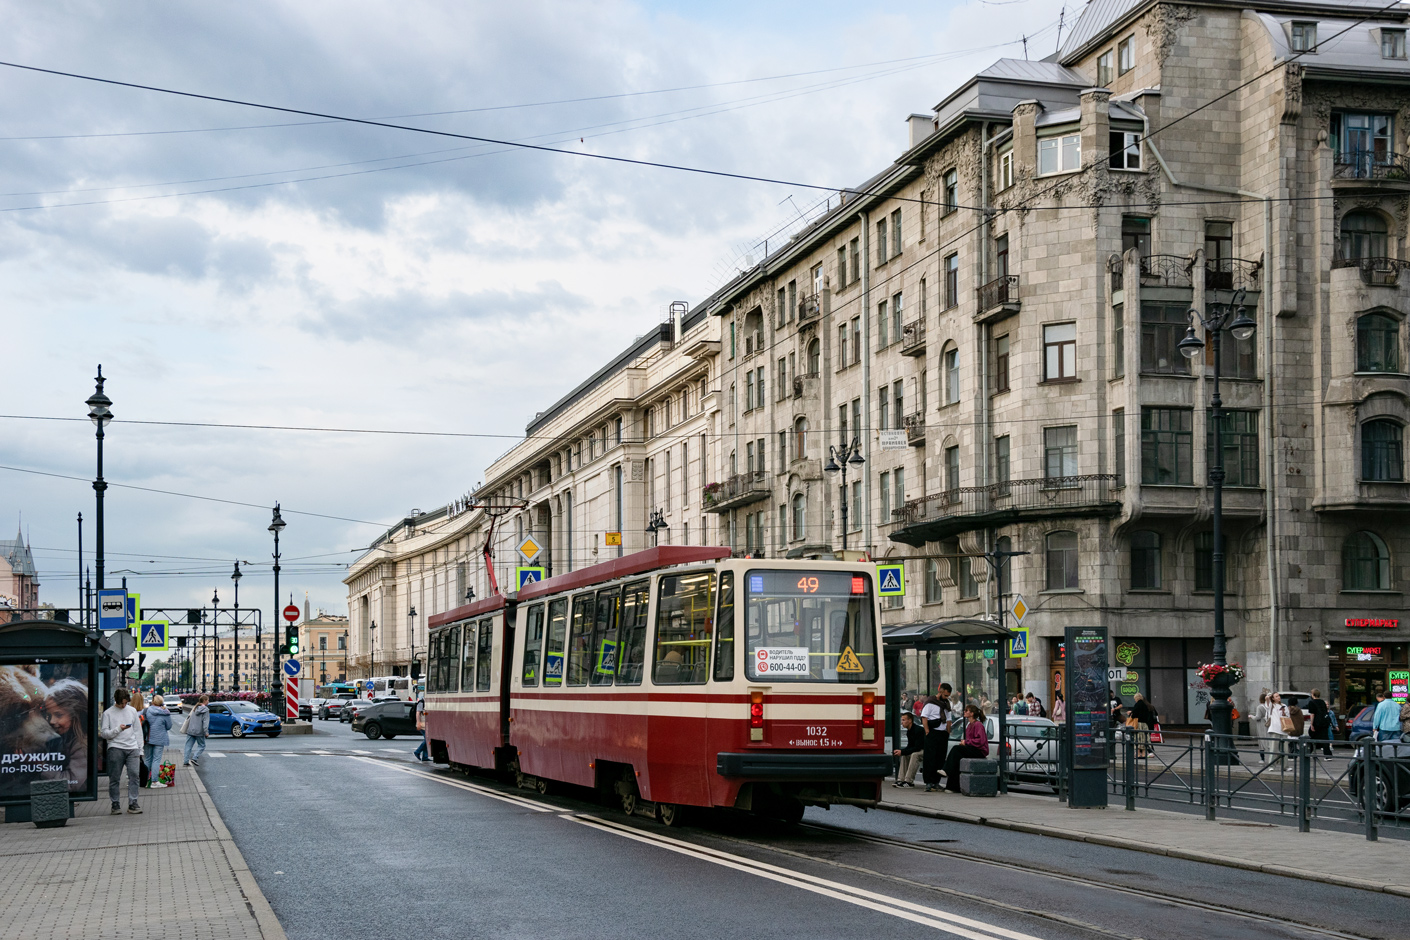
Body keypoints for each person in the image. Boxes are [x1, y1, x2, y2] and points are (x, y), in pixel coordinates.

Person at [99, 688, 143, 815]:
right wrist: (118, 729)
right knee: (114, 777)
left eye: (126, 703)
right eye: (121, 703)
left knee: (134, 775)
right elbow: (104, 733)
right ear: (116, 700)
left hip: (132, 747)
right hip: (115, 747)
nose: (124, 705)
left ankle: (133, 802)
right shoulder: (108, 713)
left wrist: (140, 750)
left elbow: (137, 731)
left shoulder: (132, 711)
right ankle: (115, 803)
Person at [43, 678, 89, 790]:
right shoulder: (63, 737)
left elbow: (70, 783)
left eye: (58, 715)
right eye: (49, 715)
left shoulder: (82, 745)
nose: (52, 721)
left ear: (76, 715)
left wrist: (40, 766)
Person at [943, 704, 990, 792]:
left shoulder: (978, 725)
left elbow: (980, 741)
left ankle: (946, 770)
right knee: (957, 759)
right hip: (972, 749)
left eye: (967, 710)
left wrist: (966, 742)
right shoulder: (969, 725)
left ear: (972, 713)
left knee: (956, 749)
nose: (964, 712)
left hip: (979, 751)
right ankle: (952, 787)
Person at [143, 695, 173, 787]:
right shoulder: (165, 713)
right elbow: (169, 726)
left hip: (148, 737)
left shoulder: (147, 711)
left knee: (147, 759)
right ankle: (154, 782)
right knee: (156, 760)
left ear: (153, 701)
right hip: (160, 739)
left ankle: (145, 780)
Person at [920, 694, 947, 791]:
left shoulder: (946, 704)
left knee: (940, 758)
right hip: (932, 732)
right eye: (946, 695)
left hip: (943, 733)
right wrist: (927, 731)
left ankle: (936, 782)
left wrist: (947, 731)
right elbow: (924, 717)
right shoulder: (930, 703)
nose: (947, 697)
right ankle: (928, 782)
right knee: (930, 757)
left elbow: (949, 719)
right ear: (941, 692)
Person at [892, 712, 925, 787]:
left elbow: (918, 747)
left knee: (914, 755)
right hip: (918, 749)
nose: (902, 722)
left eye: (903, 720)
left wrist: (903, 751)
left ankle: (909, 781)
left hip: (924, 750)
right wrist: (902, 751)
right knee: (904, 755)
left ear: (910, 721)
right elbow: (910, 746)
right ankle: (901, 779)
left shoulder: (918, 730)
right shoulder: (909, 731)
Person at [183, 694, 210, 766]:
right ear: (204, 701)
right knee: (202, 745)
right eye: (207, 700)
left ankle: (185, 761)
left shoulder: (195, 708)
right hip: (199, 731)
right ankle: (194, 758)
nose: (208, 701)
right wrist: (206, 732)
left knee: (188, 746)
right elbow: (205, 722)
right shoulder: (206, 710)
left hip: (191, 730)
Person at [1266, 692, 1290, 768]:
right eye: (1276, 696)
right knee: (1273, 748)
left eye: (1278, 696)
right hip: (1275, 729)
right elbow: (1267, 702)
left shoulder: (1284, 706)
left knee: (1285, 750)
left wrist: (1284, 713)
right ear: (1273, 698)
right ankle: (1271, 765)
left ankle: (1285, 766)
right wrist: (1269, 697)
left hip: (1284, 729)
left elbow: (1288, 716)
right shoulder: (1272, 706)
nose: (1278, 697)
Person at [1307, 689, 1332, 757]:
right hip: (1324, 722)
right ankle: (1328, 755)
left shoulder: (1311, 702)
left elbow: (1312, 714)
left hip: (1316, 722)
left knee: (1312, 736)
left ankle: (1308, 752)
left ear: (1313, 694)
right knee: (1325, 738)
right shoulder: (1322, 702)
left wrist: (1311, 724)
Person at [1252, 691, 1271, 760]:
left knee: (1261, 741)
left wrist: (1251, 716)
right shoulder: (1269, 707)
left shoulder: (1260, 707)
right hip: (1269, 724)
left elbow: (1258, 717)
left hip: (1261, 724)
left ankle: (1262, 758)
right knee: (1269, 739)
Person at [413, 696, 429, 762]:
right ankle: (417, 751)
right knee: (427, 740)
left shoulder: (426, 703)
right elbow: (418, 713)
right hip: (422, 725)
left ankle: (425, 756)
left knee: (427, 740)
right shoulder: (421, 703)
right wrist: (418, 723)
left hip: (426, 725)